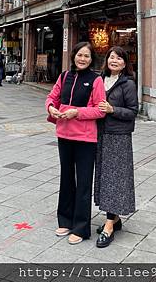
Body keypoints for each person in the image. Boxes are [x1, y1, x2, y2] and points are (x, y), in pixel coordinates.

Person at [46, 41, 106, 245]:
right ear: (73, 56)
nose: (82, 59)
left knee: (83, 183)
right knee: (66, 179)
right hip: (64, 135)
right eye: (80, 55)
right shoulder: (64, 76)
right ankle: (65, 219)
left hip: (86, 139)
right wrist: (51, 108)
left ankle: (81, 227)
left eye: (87, 56)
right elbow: (52, 97)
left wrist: (77, 112)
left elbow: (100, 109)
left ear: (91, 59)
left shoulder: (96, 80)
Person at [94, 47, 138, 248]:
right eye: (111, 57)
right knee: (105, 177)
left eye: (119, 58)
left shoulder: (127, 83)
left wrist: (113, 110)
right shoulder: (99, 79)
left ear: (124, 63)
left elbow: (133, 111)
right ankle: (114, 218)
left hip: (118, 137)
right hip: (100, 134)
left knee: (114, 180)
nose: (114, 60)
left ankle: (109, 225)